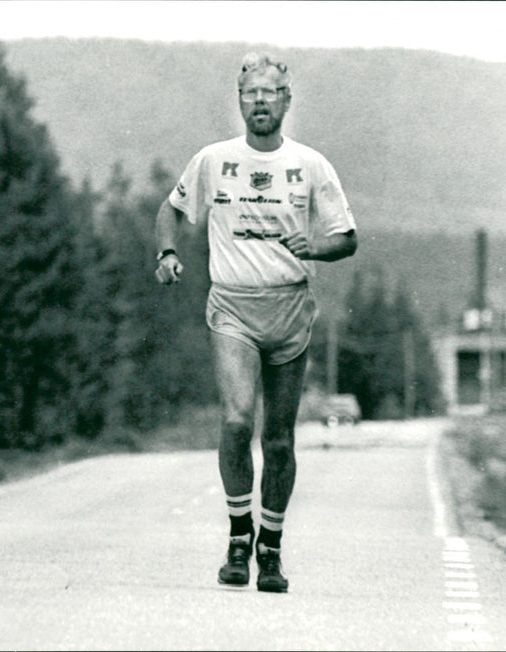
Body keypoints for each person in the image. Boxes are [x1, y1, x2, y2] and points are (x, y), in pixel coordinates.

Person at [154, 52, 357, 593]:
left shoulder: (311, 165)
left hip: (289, 307)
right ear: (239, 101)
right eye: (250, 94)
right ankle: (239, 538)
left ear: (287, 102)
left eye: (270, 94)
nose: (260, 102)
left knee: (280, 439)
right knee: (238, 421)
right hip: (232, 307)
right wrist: (167, 253)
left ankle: (271, 549)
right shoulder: (214, 160)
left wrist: (315, 245)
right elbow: (170, 209)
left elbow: (346, 237)